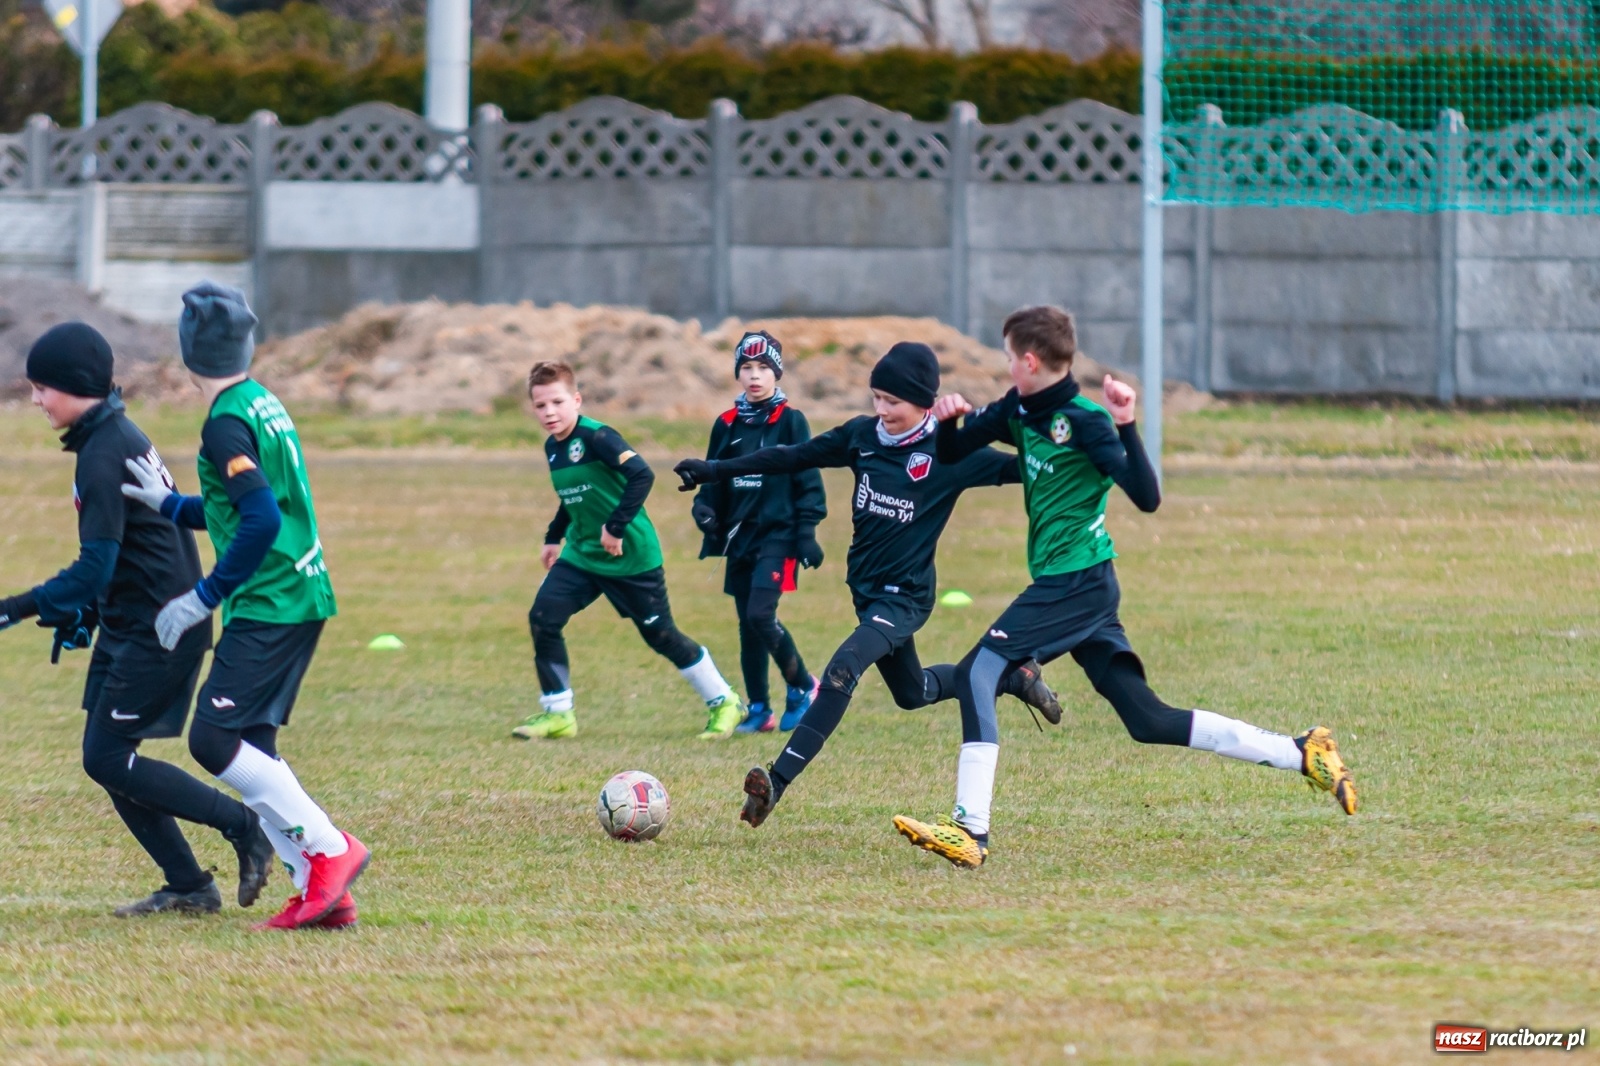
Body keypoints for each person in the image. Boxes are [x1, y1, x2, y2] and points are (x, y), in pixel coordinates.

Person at [892, 305, 1358, 870]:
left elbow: (1147, 497)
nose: (1007, 366)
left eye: (1010, 357)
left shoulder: (1086, 422)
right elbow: (951, 453)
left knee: (977, 671)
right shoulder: (1017, 407)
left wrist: (1126, 423)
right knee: (1148, 720)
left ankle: (970, 829)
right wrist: (948, 421)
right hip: (1084, 585)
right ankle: (1301, 752)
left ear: (1030, 361)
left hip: (1076, 580)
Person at [673, 342, 1063, 828]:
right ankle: (1011, 677)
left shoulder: (951, 454)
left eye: (893, 402)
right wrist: (714, 470)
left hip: (906, 597)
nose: (881, 409)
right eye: (876, 397)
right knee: (913, 692)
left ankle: (776, 781)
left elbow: (1030, 468)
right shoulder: (861, 436)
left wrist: (1073, 444)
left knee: (843, 669)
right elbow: (791, 457)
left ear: (924, 403)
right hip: (866, 591)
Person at [0, 322, 275, 918]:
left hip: (161, 628)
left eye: (43, 388)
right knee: (108, 757)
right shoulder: (109, 438)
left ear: (76, 386)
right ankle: (189, 886)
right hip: (132, 622)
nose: (36, 399)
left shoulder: (104, 452)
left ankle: (243, 825)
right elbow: (127, 553)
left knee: (108, 758)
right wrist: (89, 610)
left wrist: (14, 608)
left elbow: (94, 566)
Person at [121, 280, 368, 930]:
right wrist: (172, 505)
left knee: (212, 740)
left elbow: (259, 518)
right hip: (300, 590)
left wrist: (203, 596)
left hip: (271, 600)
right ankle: (320, 890)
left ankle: (331, 849)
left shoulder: (225, 423)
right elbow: (246, 505)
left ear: (189, 349)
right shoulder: (260, 401)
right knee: (252, 746)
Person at [513, 361, 747, 741]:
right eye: (540, 405)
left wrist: (616, 526)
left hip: (630, 556)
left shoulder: (598, 437)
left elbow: (642, 474)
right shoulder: (553, 447)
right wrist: (554, 537)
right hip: (583, 555)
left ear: (576, 400)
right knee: (543, 617)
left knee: (661, 635)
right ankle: (558, 714)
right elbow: (575, 496)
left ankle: (724, 701)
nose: (549, 412)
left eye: (557, 402)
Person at [690, 330, 826, 734]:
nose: (754, 375)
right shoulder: (727, 423)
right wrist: (704, 508)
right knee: (747, 626)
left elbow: (808, 479)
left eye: (763, 367)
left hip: (778, 537)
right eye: (747, 367)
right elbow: (713, 475)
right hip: (740, 538)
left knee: (760, 614)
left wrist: (807, 532)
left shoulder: (791, 421)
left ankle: (802, 687)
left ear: (777, 373)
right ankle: (760, 708)